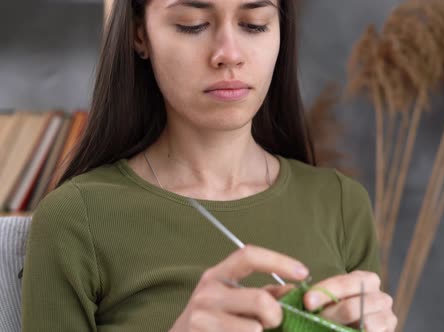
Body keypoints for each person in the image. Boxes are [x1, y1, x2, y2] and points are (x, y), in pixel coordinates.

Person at [21, 0, 397, 331]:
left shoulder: (342, 203)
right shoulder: (76, 219)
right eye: (192, 24)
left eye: (254, 24)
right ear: (140, 34)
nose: (228, 54)